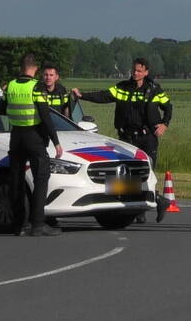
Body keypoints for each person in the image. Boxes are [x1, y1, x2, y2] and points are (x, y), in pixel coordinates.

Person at [72, 58, 172, 223]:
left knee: (145, 174)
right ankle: (145, 206)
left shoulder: (155, 90)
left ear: (146, 72)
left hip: (147, 138)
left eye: (139, 71)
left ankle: (147, 206)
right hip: (126, 139)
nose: (135, 73)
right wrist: (82, 95)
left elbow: (168, 107)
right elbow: (103, 96)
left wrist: (164, 124)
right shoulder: (122, 87)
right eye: (134, 70)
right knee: (126, 176)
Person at [0, 53, 63, 237]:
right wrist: (56, 142)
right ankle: (38, 224)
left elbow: (0, 109)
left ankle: (19, 225)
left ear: (21, 67)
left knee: (17, 181)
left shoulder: (10, 86)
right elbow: (45, 115)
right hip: (33, 137)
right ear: (34, 68)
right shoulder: (36, 86)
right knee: (41, 179)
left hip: (16, 137)